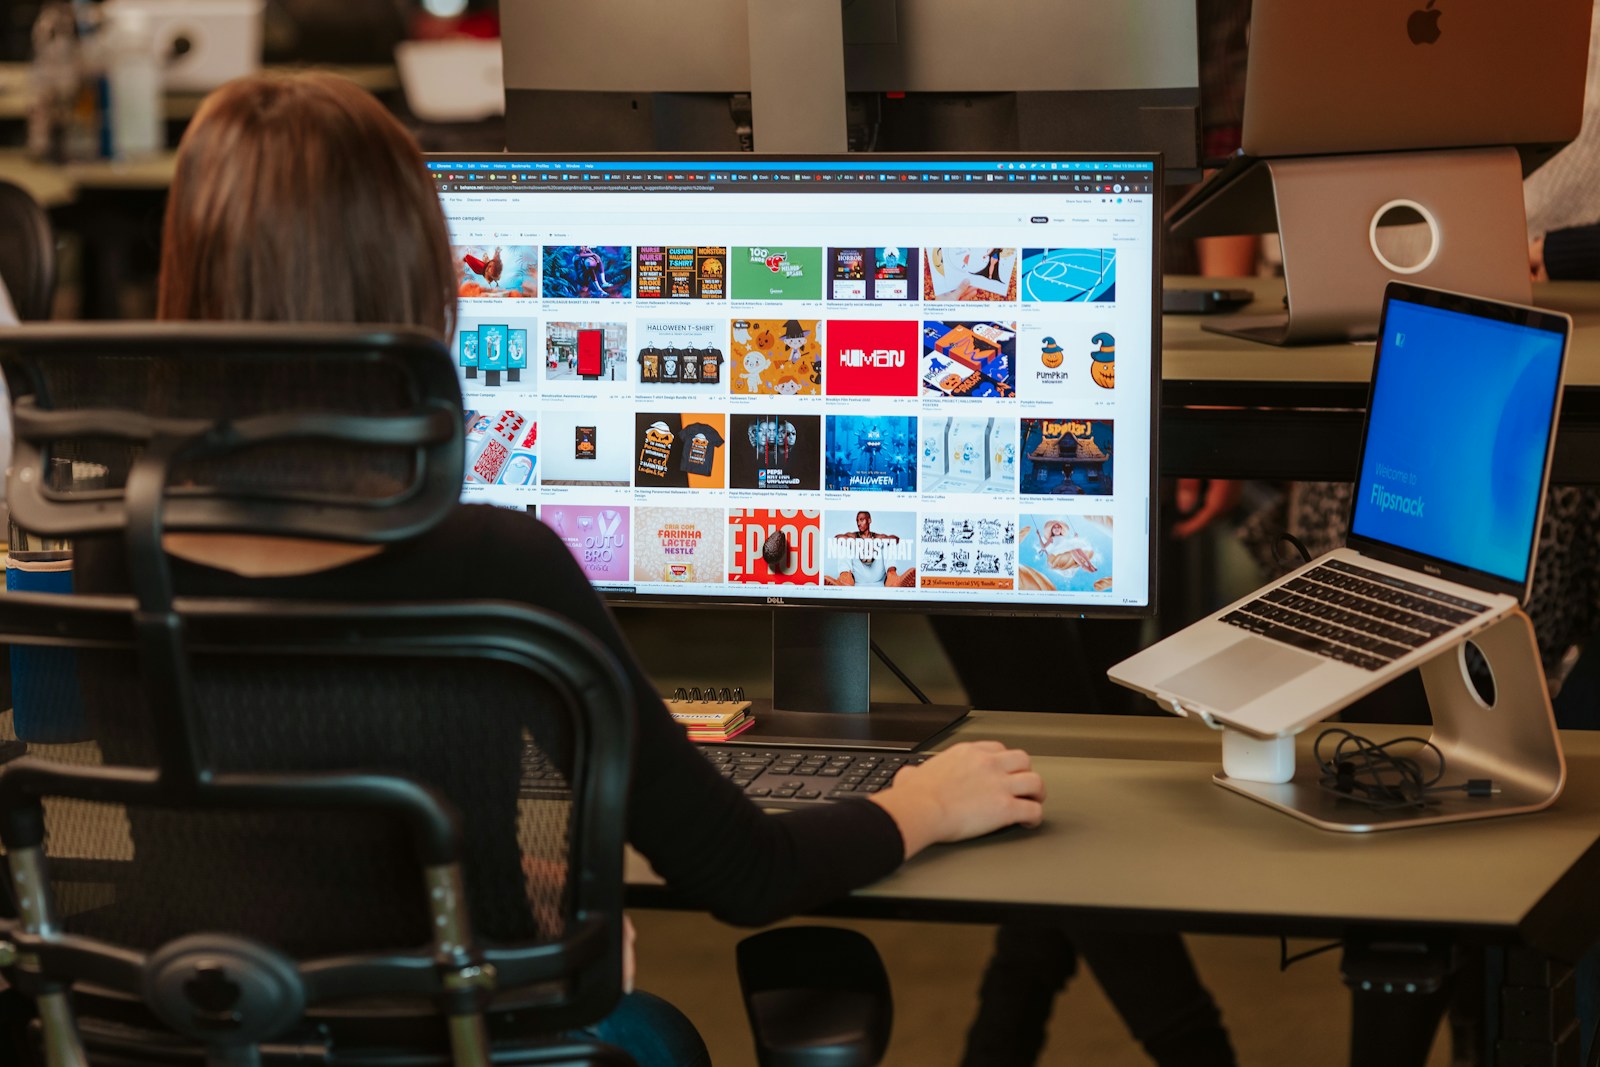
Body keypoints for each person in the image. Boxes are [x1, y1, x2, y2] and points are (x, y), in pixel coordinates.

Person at [74, 72, 1046, 1067]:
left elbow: (254, 834)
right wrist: (923, 803)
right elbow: (744, 872)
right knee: (655, 1035)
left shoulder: (106, 550)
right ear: (414, 279)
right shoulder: (491, 566)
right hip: (443, 1036)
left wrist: (505, 894)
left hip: (193, 1035)